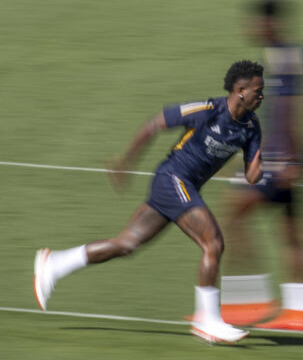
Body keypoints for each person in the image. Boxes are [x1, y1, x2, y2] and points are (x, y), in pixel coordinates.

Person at [33, 60, 265, 344]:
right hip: (172, 179)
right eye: (258, 90)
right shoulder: (208, 110)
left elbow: (253, 175)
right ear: (240, 90)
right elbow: (156, 123)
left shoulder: (252, 127)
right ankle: (208, 320)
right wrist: (127, 160)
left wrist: (258, 166)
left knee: (126, 245)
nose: (262, 96)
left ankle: (54, 263)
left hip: (182, 188)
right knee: (213, 243)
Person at [218, 0, 303, 331]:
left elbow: (295, 108)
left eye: (257, 23)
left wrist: (292, 157)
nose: (252, 28)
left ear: (271, 24)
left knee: (233, 214)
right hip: (278, 154)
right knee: (290, 230)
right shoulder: (277, 56)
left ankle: (254, 300)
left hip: (280, 157)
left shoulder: (285, 56)